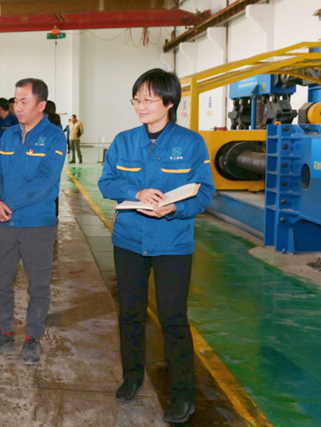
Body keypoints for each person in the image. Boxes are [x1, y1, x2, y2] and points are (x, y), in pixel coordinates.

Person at [98, 69, 215, 423]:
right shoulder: (123, 141)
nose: (141, 106)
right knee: (130, 313)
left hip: (172, 243)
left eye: (148, 99)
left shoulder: (191, 144)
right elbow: (106, 182)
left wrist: (176, 208)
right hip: (129, 241)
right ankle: (132, 377)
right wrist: (135, 192)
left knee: (173, 319)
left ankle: (183, 396)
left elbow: (205, 192)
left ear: (169, 102)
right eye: (136, 99)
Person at [0, 78, 66, 365]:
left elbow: (44, 182)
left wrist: (7, 203)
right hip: (6, 223)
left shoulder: (54, 137)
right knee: (0, 280)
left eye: (23, 101)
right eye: (15, 100)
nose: (17, 106)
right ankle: (4, 332)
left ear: (41, 105)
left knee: (38, 285)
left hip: (37, 224)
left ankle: (33, 338)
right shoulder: (8, 135)